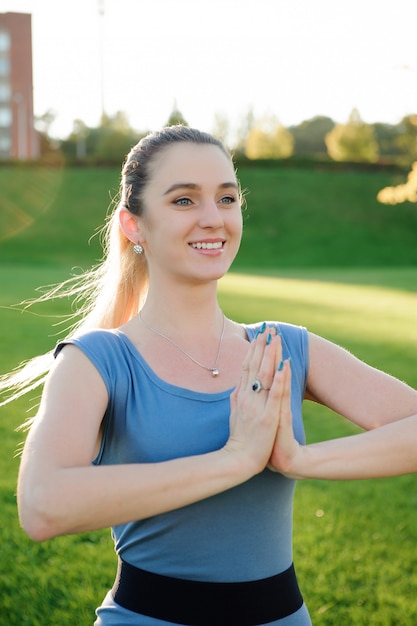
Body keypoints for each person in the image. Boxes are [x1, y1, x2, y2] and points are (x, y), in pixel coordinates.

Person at [2, 125, 417, 626]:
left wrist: (299, 458)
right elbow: (43, 507)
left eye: (227, 198)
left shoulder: (282, 348)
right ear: (134, 225)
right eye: (183, 201)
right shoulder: (97, 360)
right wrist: (235, 460)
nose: (212, 219)